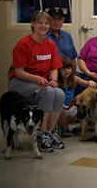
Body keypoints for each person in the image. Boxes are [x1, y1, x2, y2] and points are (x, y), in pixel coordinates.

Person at [8, 10, 65, 153]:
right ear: (33, 24)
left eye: (46, 23)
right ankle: (42, 132)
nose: (43, 26)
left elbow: (54, 68)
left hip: (42, 83)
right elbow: (19, 72)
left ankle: (50, 132)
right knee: (48, 92)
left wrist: (53, 80)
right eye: (40, 22)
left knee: (59, 93)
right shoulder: (23, 44)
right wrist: (38, 79)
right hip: (21, 82)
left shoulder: (51, 44)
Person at [59, 57, 97, 137]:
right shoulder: (57, 81)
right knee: (59, 108)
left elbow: (85, 83)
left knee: (82, 110)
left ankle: (63, 123)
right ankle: (64, 127)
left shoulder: (74, 79)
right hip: (59, 108)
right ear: (59, 71)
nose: (67, 71)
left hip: (69, 106)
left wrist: (89, 82)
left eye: (69, 68)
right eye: (64, 69)